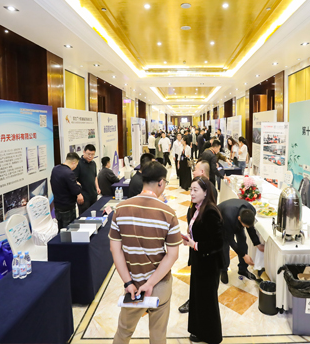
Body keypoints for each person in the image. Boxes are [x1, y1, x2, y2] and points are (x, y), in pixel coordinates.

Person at [109, 161, 182, 344]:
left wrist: (128, 282)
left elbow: (115, 249)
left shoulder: (121, 209)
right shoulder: (168, 213)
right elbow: (172, 255)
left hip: (133, 285)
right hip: (159, 284)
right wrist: (150, 283)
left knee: (123, 332)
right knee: (158, 335)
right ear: (161, 182)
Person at [183, 176, 224, 343]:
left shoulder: (210, 211)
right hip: (199, 261)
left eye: (195, 190)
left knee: (207, 300)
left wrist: (195, 245)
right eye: (191, 189)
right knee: (198, 297)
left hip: (209, 264)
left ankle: (212, 336)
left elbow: (218, 243)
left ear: (206, 192)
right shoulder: (195, 208)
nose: (192, 193)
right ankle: (198, 330)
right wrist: (190, 238)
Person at [217, 199, 264, 283]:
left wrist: (257, 243)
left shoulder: (251, 210)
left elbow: (250, 227)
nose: (247, 227)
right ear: (239, 218)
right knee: (225, 246)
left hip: (234, 217)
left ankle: (243, 269)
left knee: (242, 241)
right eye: (245, 225)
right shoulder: (228, 217)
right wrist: (244, 255)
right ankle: (223, 270)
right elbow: (231, 241)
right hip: (222, 221)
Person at [50, 152, 83, 229]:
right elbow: (75, 190)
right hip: (68, 207)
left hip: (57, 206)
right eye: (77, 164)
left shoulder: (55, 169)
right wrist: (78, 185)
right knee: (69, 230)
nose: (76, 167)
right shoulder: (69, 173)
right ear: (73, 163)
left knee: (61, 229)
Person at [73, 144, 101, 212]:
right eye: (88, 154)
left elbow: (95, 176)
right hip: (83, 196)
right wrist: (78, 194)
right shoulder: (78, 164)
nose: (90, 156)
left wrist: (97, 187)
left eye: (92, 154)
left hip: (93, 195)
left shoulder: (93, 163)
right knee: (85, 216)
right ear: (84, 152)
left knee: (94, 214)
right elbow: (73, 180)